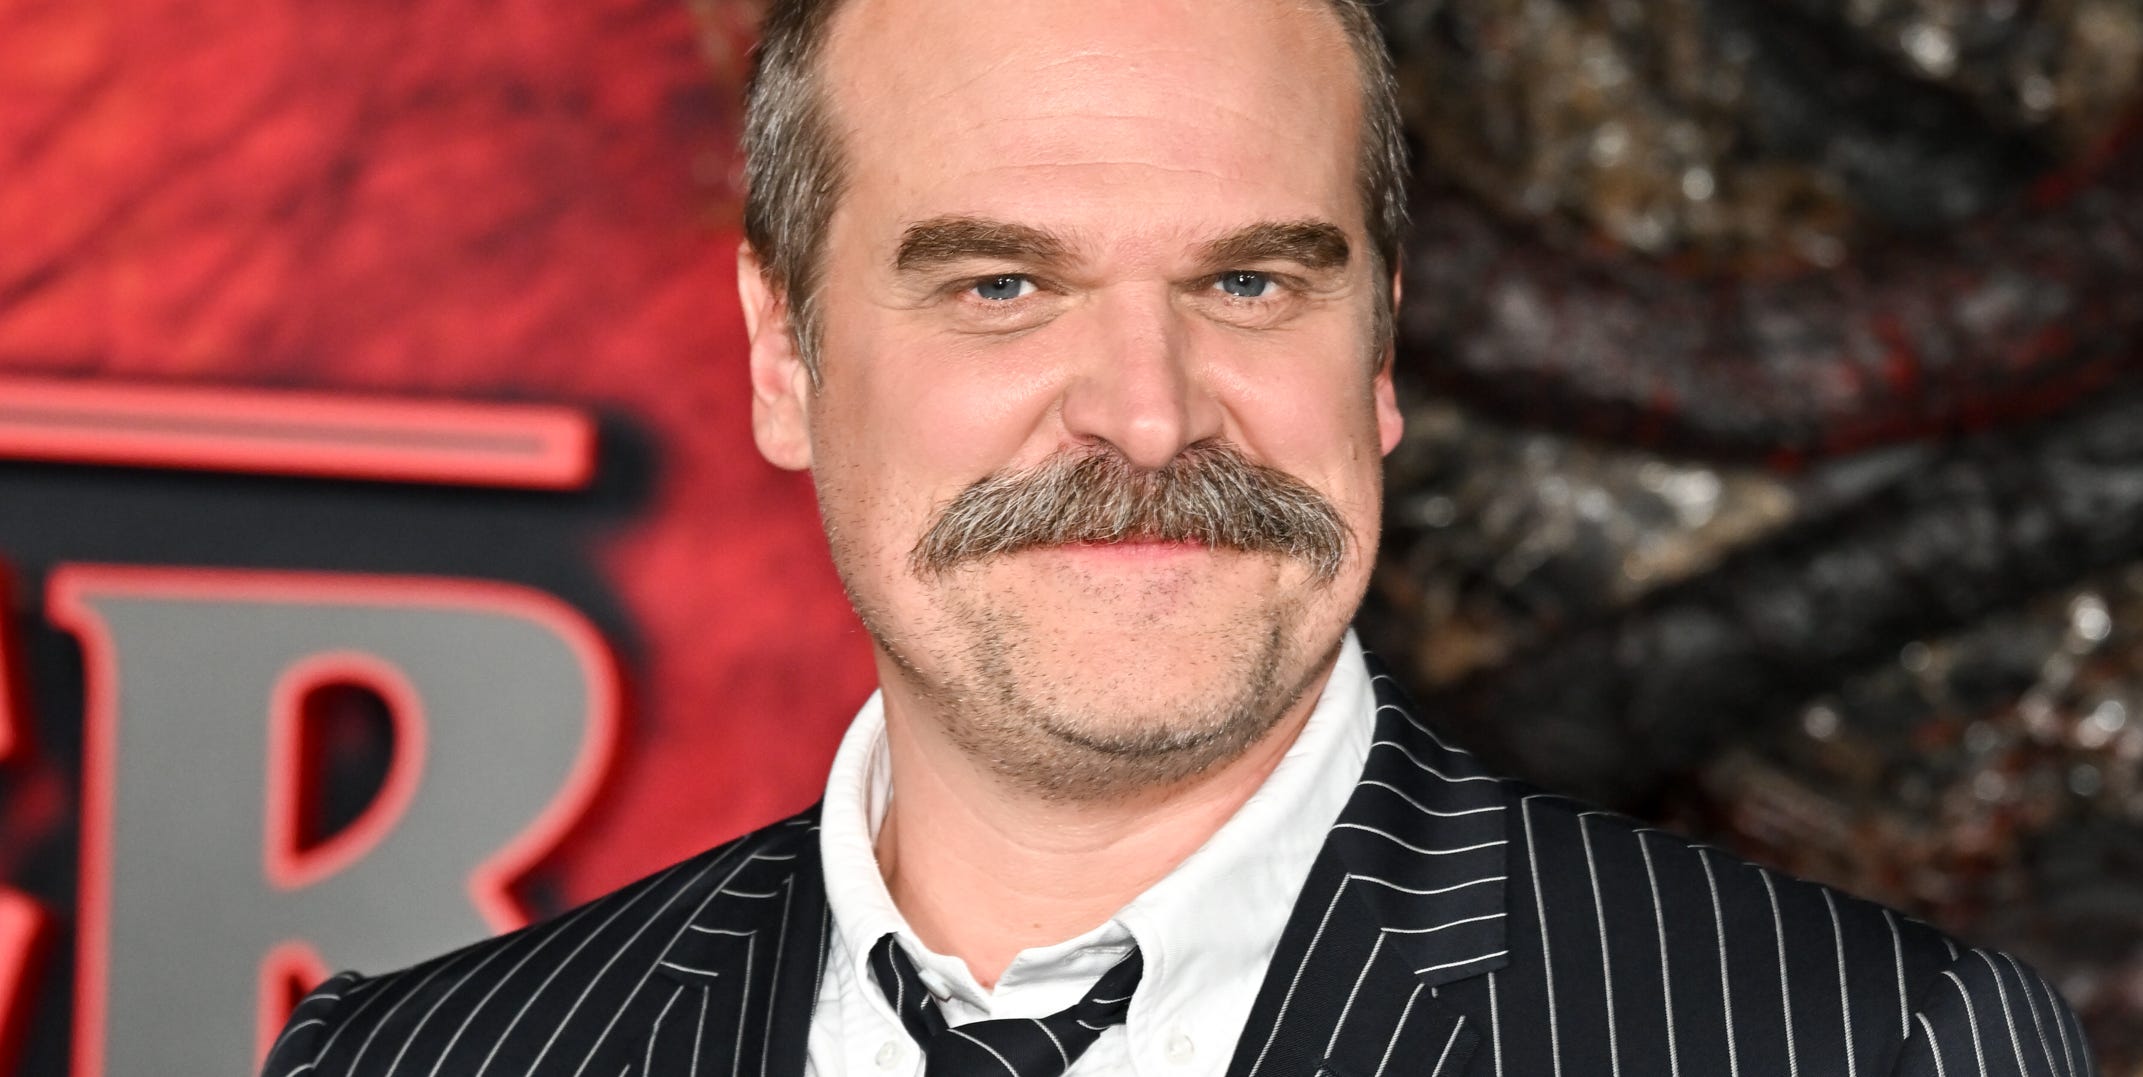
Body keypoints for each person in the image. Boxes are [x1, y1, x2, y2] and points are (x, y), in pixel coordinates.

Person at [262, 0, 2095, 1074]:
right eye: (1000, 285)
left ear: (1382, 351)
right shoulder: (415, 1065)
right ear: (783, 356)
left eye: (1249, 282)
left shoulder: (1872, 1046)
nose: (1147, 414)